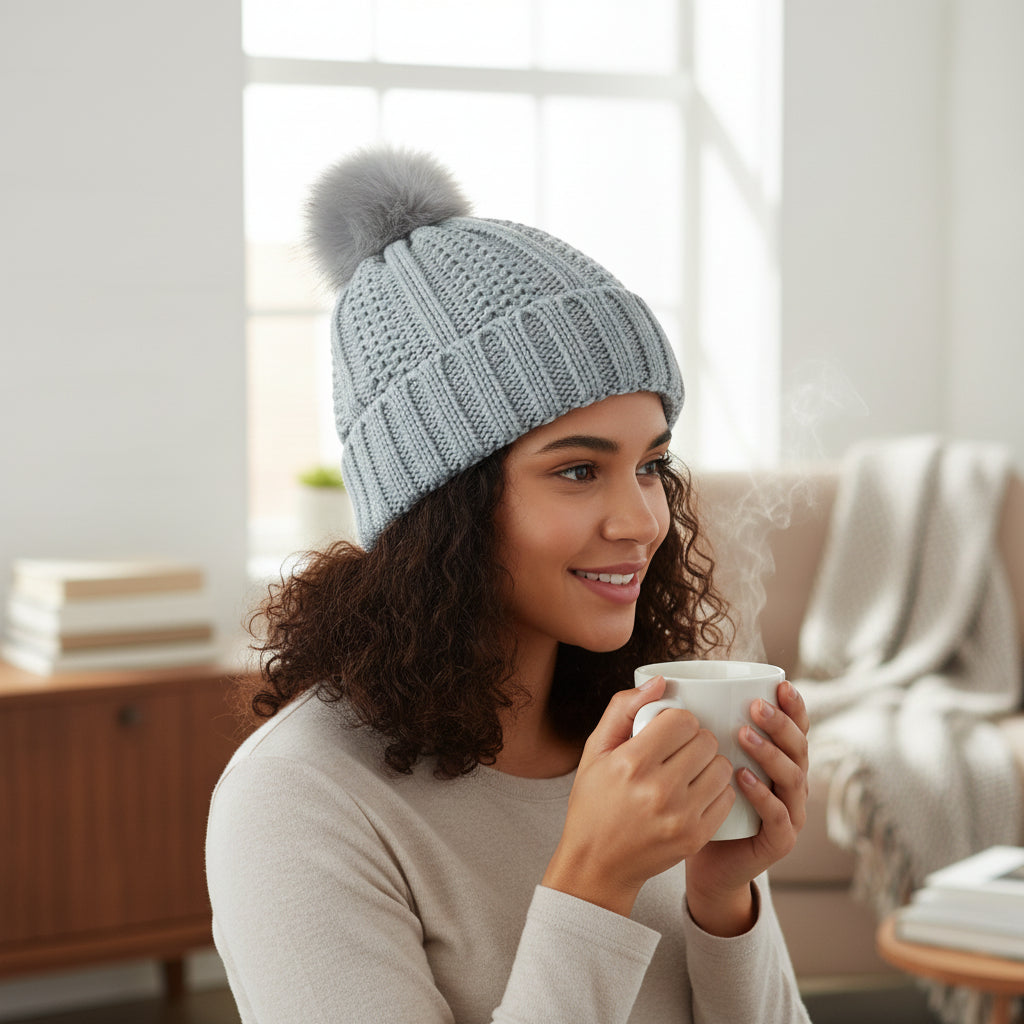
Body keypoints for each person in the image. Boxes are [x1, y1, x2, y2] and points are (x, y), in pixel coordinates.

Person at [206, 147, 812, 1023]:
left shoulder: (641, 738)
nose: (643, 520)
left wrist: (722, 902)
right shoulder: (298, 802)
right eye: (576, 471)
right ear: (441, 507)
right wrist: (594, 880)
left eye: (651, 465)